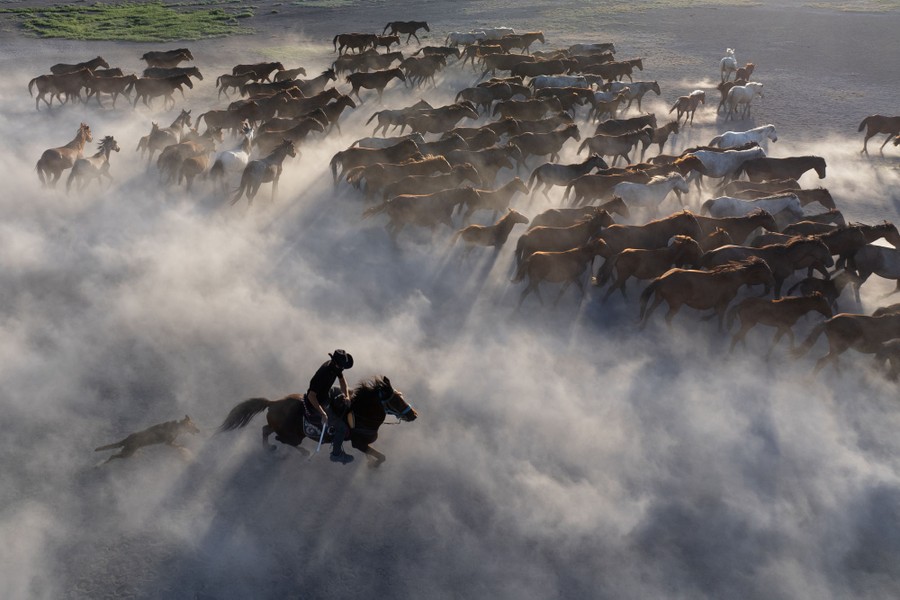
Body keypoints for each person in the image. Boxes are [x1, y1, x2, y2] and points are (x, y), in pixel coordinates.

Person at [306, 349, 354, 463]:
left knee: (352, 393)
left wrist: (346, 396)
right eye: (341, 366)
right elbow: (311, 396)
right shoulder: (323, 374)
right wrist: (323, 413)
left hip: (328, 392)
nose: (342, 369)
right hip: (320, 401)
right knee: (341, 428)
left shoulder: (336, 366)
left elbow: (342, 381)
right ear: (335, 363)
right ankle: (336, 455)